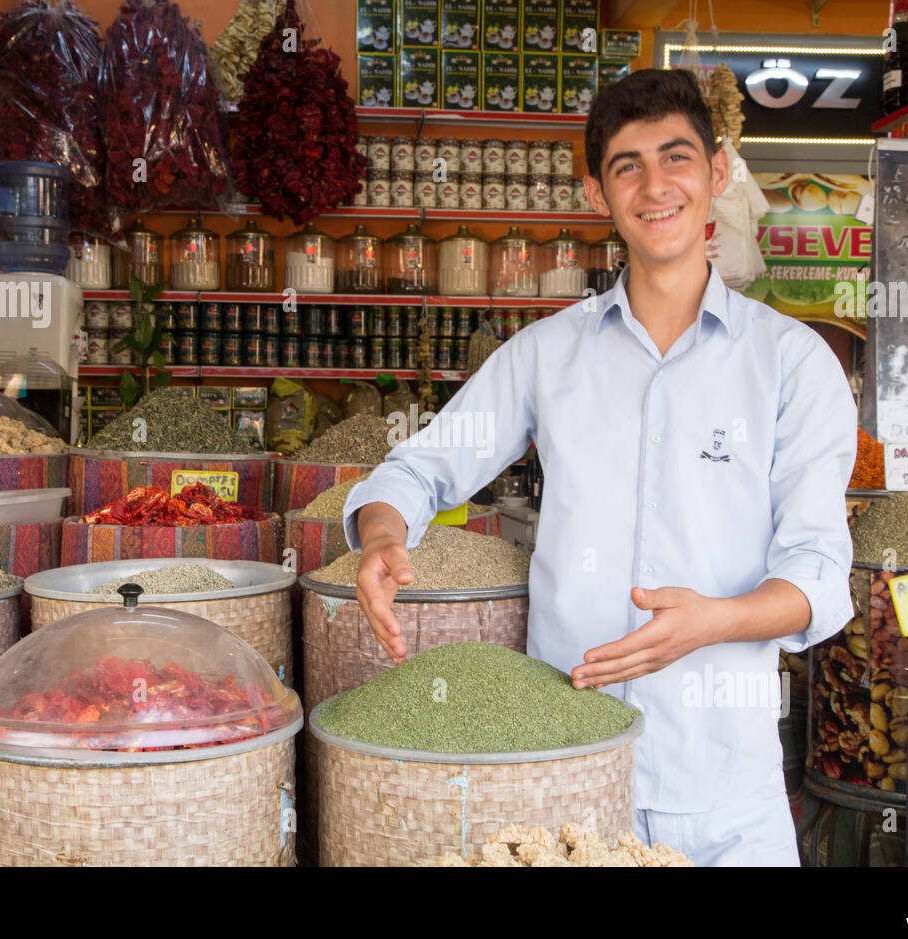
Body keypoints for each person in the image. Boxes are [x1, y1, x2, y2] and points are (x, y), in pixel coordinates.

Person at [343, 69, 856, 866]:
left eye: (677, 158)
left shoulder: (790, 363)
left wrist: (710, 623)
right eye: (628, 166)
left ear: (717, 174)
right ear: (596, 193)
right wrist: (380, 536)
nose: (656, 186)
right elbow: (418, 469)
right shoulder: (550, 354)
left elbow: (821, 574)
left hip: (725, 795)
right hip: (567, 788)